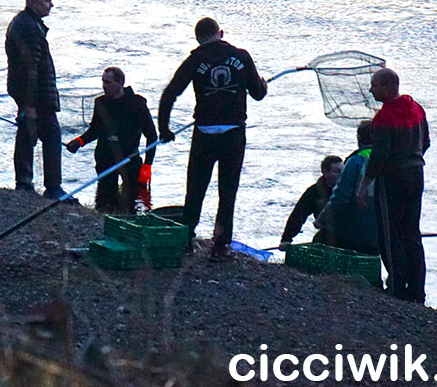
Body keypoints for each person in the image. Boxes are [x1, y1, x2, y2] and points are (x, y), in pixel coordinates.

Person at [158, 17, 267, 260]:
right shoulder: (242, 56)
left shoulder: (195, 59)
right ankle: (220, 246)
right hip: (233, 133)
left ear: (198, 38)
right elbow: (258, 94)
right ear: (221, 33)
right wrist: (262, 85)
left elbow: (170, 94)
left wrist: (164, 129)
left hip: (204, 133)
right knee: (228, 191)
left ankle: (186, 239)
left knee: (195, 188)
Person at [357, 68, 430, 303]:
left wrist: (364, 184)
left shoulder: (383, 118)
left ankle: (398, 287)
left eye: (374, 85)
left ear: (388, 87)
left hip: (392, 181)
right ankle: (417, 290)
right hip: (416, 175)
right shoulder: (416, 108)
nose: (371, 90)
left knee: (389, 235)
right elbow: (426, 142)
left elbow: (379, 156)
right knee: (412, 233)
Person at [65, 67, 158, 213]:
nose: (104, 86)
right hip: (104, 156)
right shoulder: (100, 103)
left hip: (129, 157)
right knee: (104, 200)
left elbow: (152, 136)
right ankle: (102, 221)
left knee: (132, 201)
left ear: (120, 83)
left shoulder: (136, 104)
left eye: (108, 82)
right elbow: (95, 130)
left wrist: (147, 165)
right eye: (103, 81)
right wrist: (79, 142)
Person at [5, 0, 65, 200]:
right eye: (47, 1)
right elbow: (30, 69)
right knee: (51, 137)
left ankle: (24, 183)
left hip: (31, 93)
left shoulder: (26, 23)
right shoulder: (29, 27)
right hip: (38, 96)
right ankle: (52, 187)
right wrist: (29, 104)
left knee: (26, 135)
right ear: (33, 0)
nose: (51, 5)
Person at [313, 121, 380, 256]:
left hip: (351, 233)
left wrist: (322, 219)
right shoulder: (387, 160)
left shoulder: (355, 161)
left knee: (319, 241)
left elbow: (341, 197)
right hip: (378, 235)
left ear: (359, 139)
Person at [279, 155, 343, 250]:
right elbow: (298, 215)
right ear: (325, 172)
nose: (342, 175)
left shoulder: (349, 190)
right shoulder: (314, 192)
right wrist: (286, 239)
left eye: (343, 171)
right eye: (337, 171)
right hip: (327, 235)